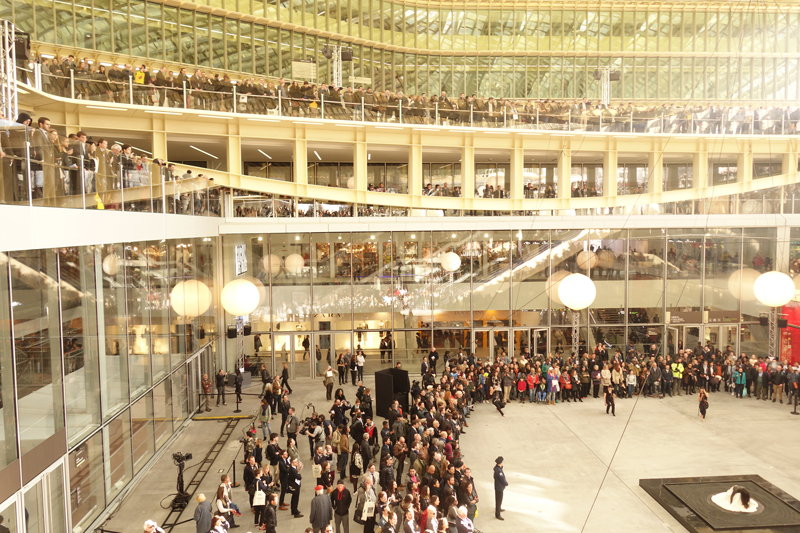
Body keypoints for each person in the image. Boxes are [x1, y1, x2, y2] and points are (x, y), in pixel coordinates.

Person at [493, 456, 508, 521]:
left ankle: (498, 508)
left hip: (498, 486)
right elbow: (502, 478)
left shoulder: (497, 469)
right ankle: (497, 514)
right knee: (499, 499)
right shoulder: (498, 471)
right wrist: (506, 483)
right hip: (499, 487)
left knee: (499, 499)